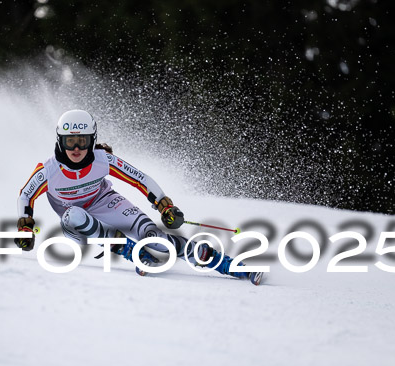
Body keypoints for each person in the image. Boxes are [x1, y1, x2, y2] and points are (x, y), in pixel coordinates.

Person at [14, 109, 263, 285]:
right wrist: (25, 227)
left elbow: (140, 178)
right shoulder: (49, 170)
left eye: (82, 141)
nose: (76, 149)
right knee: (74, 214)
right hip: (75, 225)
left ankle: (229, 265)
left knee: (156, 239)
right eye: (70, 142)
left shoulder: (103, 160)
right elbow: (26, 195)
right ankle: (132, 251)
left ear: (92, 140)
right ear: (60, 141)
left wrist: (164, 206)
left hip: (105, 202)